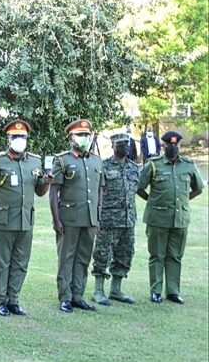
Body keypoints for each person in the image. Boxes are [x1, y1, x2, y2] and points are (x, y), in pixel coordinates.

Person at [0, 120, 52, 316]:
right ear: (8, 139)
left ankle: (14, 299)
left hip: (25, 220)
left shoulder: (35, 161)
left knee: (21, 262)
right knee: (2, 262)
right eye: (15, 137)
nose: (19, 140)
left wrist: (46, 182)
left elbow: (39, 191)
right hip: (3, 220)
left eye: (22, 137)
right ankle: (1, 301)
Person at [137, 131, 204, 304]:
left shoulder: (188, 165)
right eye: (169, 145)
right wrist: (152, 201)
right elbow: (139, 187)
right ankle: (156, 291)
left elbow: (198, 188)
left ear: (180, 146)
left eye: (176, 145)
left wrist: (183, 202)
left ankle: (173, 291)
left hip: (179, 219)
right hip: (157, 219)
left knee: (175, 256)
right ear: (163, 146)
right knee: (157, 255)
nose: (173, 148)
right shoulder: (153, 165)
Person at [49, 119, 104, 313]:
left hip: (89, 219)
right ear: (71, 138)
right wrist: (56, 220)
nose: (84, 139)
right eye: (80, 135)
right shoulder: (63, 160)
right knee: (66, 257)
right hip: (69, 218)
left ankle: (78, 295)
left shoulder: (97, 161)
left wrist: (98, 215)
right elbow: (53, 192)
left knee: (83, 257)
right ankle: (65, 296)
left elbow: (99, 190)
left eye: (86, 135)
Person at [90, 133, 139, 306]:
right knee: (103, 254)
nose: (125, 147)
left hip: (128, 220)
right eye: (121, 144)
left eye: (127, 144)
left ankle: (116, 289)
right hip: (108, 220)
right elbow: (96, 192)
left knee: (125, 254)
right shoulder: (103, 166)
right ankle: (98, 290)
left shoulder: (134, 168)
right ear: (113, 146)